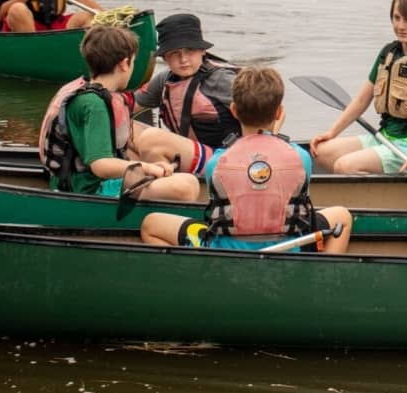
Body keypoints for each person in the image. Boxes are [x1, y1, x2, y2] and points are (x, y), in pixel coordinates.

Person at [140, 66, 353, 252]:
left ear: (233, 110)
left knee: (151, 224)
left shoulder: (217, 162)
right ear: (279, 113)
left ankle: (195, 275)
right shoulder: (301, 157)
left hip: (224, 250)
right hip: (291, 247)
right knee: (342, 216)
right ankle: (319, 275)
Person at [38, 25, 200, 201]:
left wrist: (149, 166)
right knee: (187, 186)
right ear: (124, 63)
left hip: (78, 182)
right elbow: (100, 165)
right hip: (89, 189)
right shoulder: (94, 105)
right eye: (133, 62)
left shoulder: (83, 91)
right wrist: (146, 168)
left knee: (171, 174)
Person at [310, 0, 407, 175]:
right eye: (396, 18)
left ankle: (372, 194)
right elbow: (361, 101)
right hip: (385, 136)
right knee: (321, 153)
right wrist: (332, 133)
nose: (401, 26)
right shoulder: (388, 53)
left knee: (344, 166)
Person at [134, 13, 240, 150]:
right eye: (174, 53)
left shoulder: (222, 80)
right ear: (165, 58)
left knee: (153, 138)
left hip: (225, 156)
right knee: (130, 130)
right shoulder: (163, 81)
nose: (183, 59)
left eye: (190, 50)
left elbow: (269, 113)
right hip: (191, 154)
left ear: (203, 51)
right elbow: (129, 107)